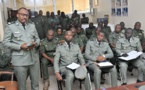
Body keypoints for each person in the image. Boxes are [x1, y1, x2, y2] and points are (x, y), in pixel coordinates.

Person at [2, 7, 40, 90]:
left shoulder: (32, 26)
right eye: (22, 15)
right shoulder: (10, 27)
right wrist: (19, 46)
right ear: (17, 15)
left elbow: (37, 39)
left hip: (33, 59)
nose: (25, 17)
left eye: (27, 15)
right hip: (20, 61)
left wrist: (35, 43)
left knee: (36, 84)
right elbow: (5, 43)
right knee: (22, 86)